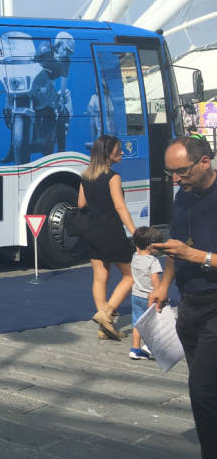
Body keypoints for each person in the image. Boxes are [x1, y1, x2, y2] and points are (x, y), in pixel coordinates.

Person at [149, 135, 217, 459]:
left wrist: (200, 257)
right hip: (188, 305)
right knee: (206, 393)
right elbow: (176, 247)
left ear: (205, 162)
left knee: (203, 392)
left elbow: (191, 252)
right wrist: (163, 285)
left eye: (181, 171)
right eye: (170, 172)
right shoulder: (182, 196)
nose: (176, 179)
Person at [78, 134, 135, 340]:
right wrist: (135, 232)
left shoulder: (86, 176)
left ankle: (104, 328)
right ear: (107, 153)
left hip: (92, 231)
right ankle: (106, 313)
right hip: (111, 231)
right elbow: (120, 207)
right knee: (131, 276)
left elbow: (81, 204)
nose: (121, 152)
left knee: (100, 277)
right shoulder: (113, 177)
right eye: (118, 149)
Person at [129, 226, 162, 360]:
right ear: (150, 246)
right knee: (154, 323)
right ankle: (149, 347)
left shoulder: (135, 257)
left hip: (136, 295)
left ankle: (135, 349)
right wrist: (159, 294)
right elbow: (155, 281)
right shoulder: (153, 261)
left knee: (137, 322)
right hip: (149, 297)